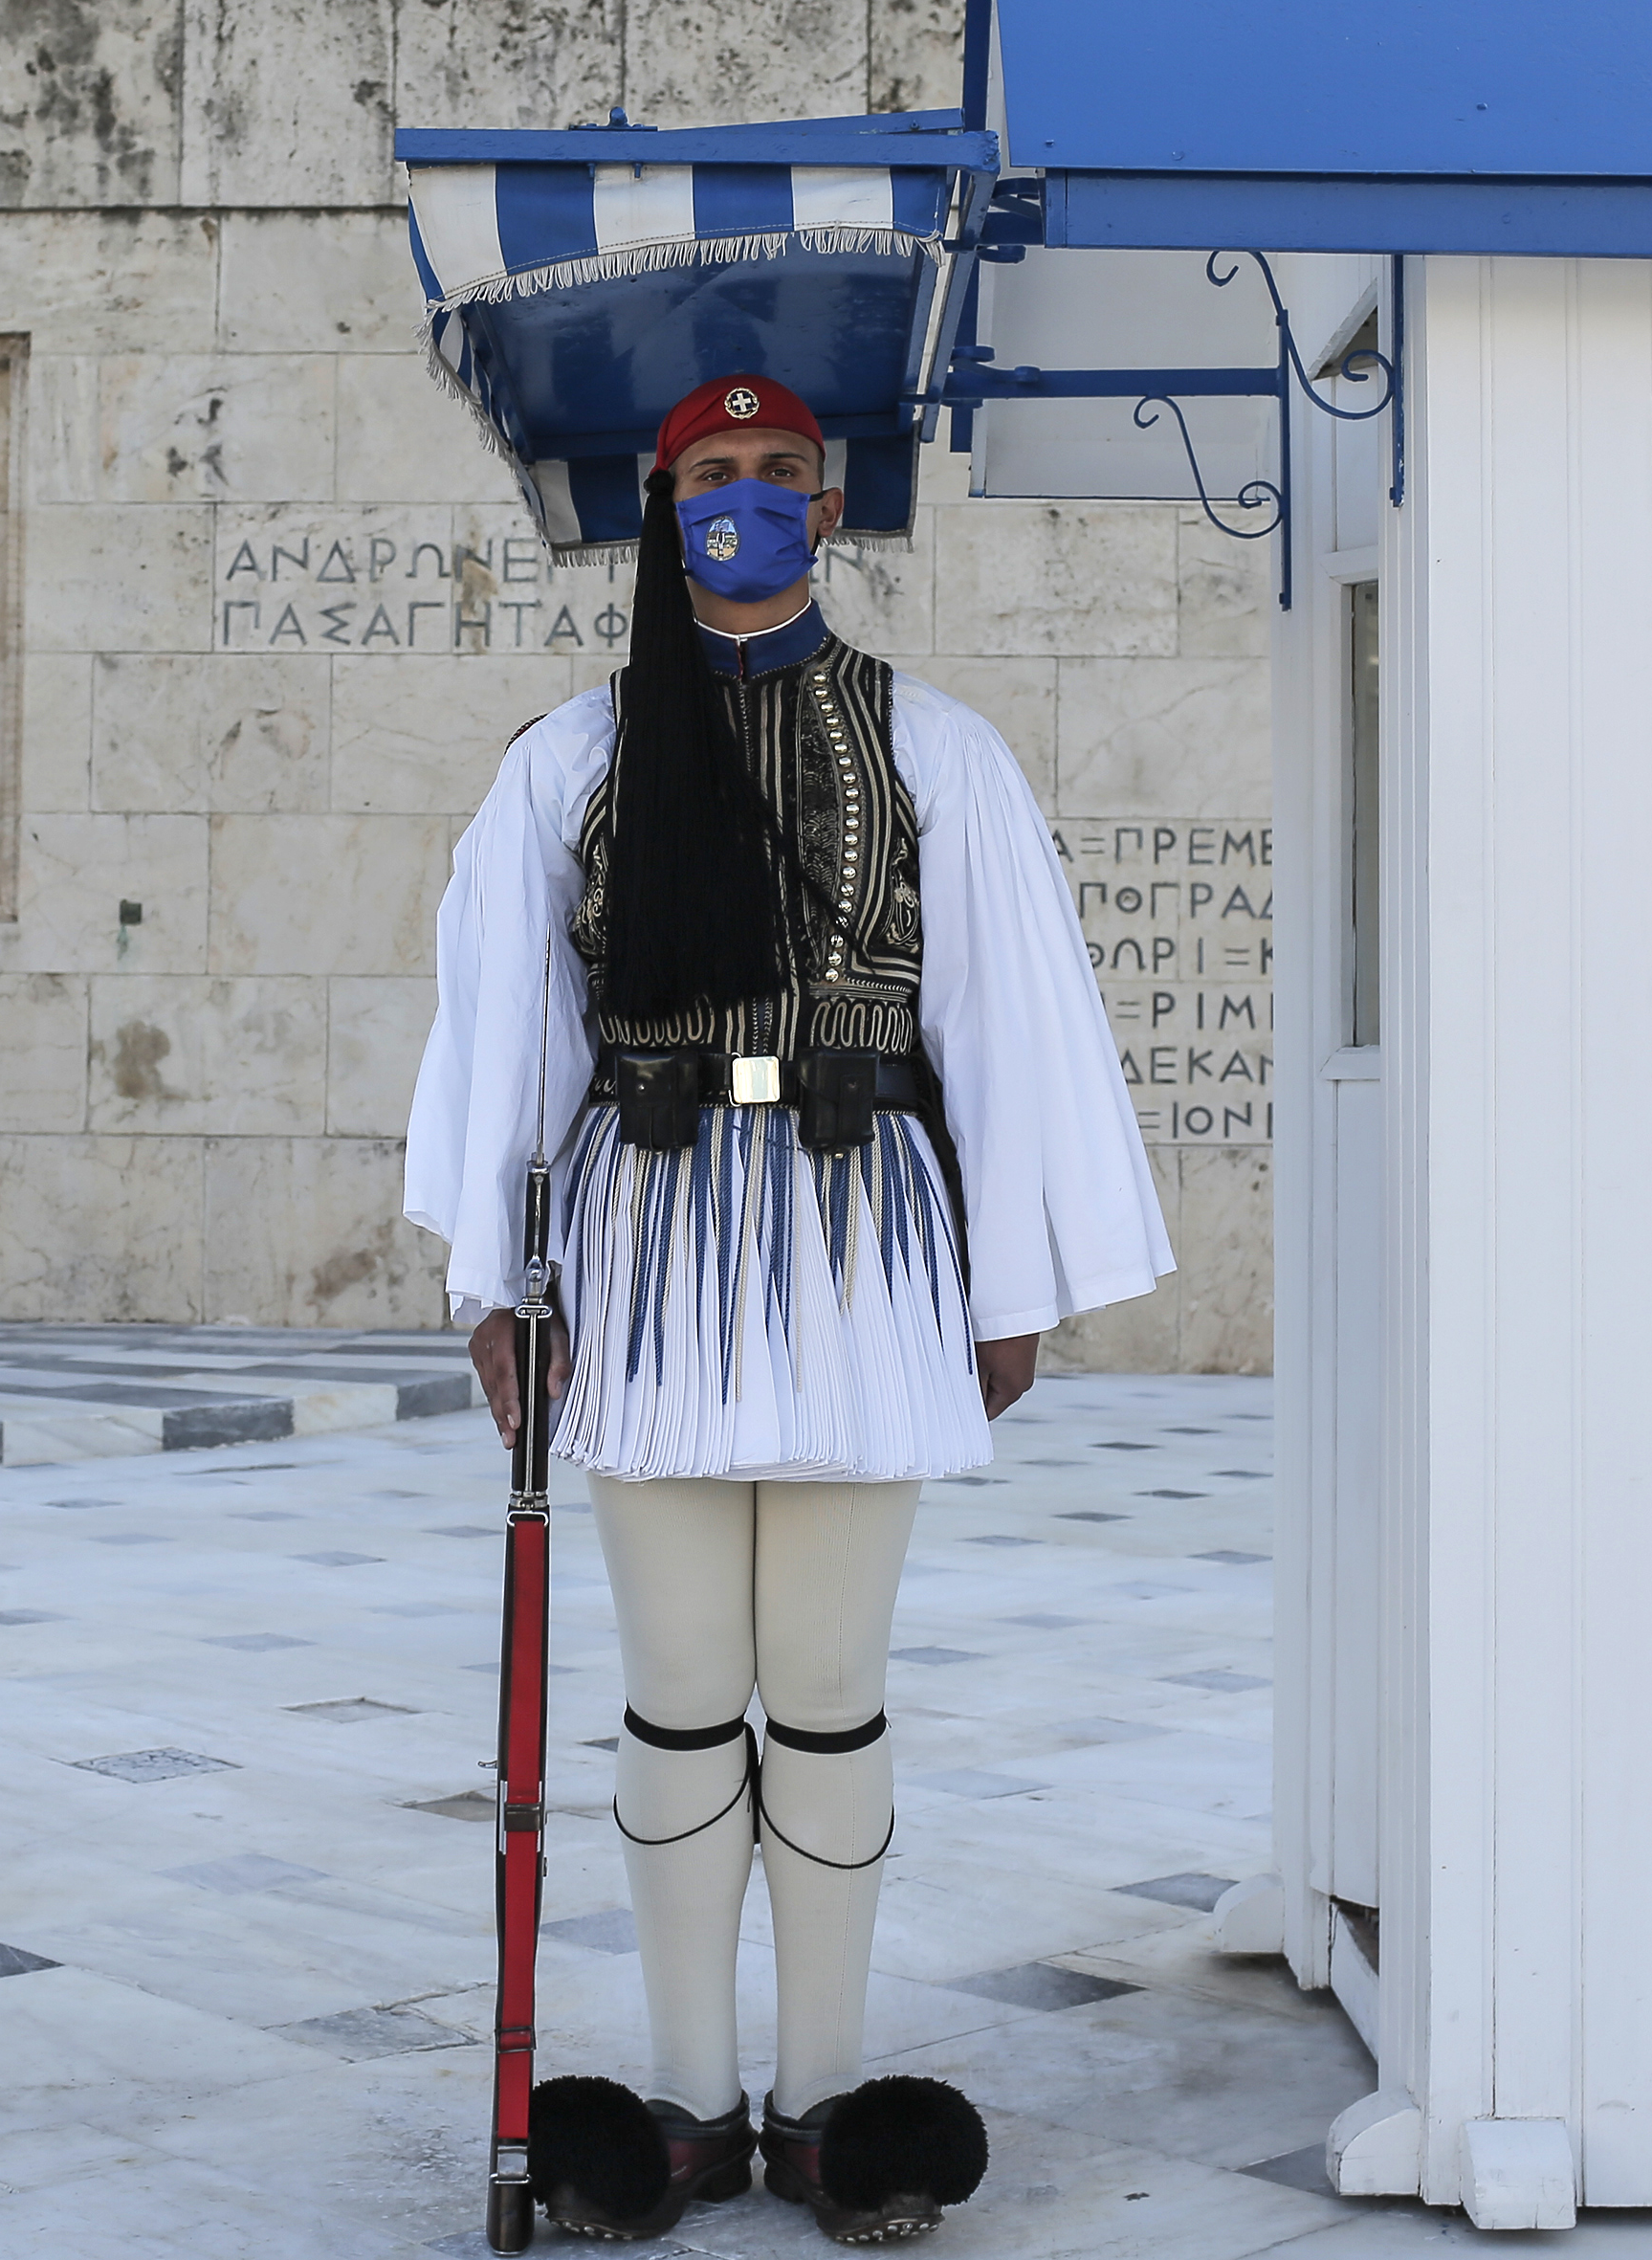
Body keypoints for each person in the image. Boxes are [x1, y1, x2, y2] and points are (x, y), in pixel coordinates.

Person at [407, 373, 1175, 2245]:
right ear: (660, 509)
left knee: (822, 1698)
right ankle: (678, 2099)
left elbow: (1006, 1021)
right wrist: (493, 1288)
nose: (740, 504)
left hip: (858, 1251)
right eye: (707, 480)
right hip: (645, 1246)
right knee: (678, 1696)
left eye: (773, 477)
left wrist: (1014, 1289)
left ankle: (827, 2100)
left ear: (826, 509)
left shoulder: (937, 749)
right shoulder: (570, 757)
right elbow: (504, 1022)